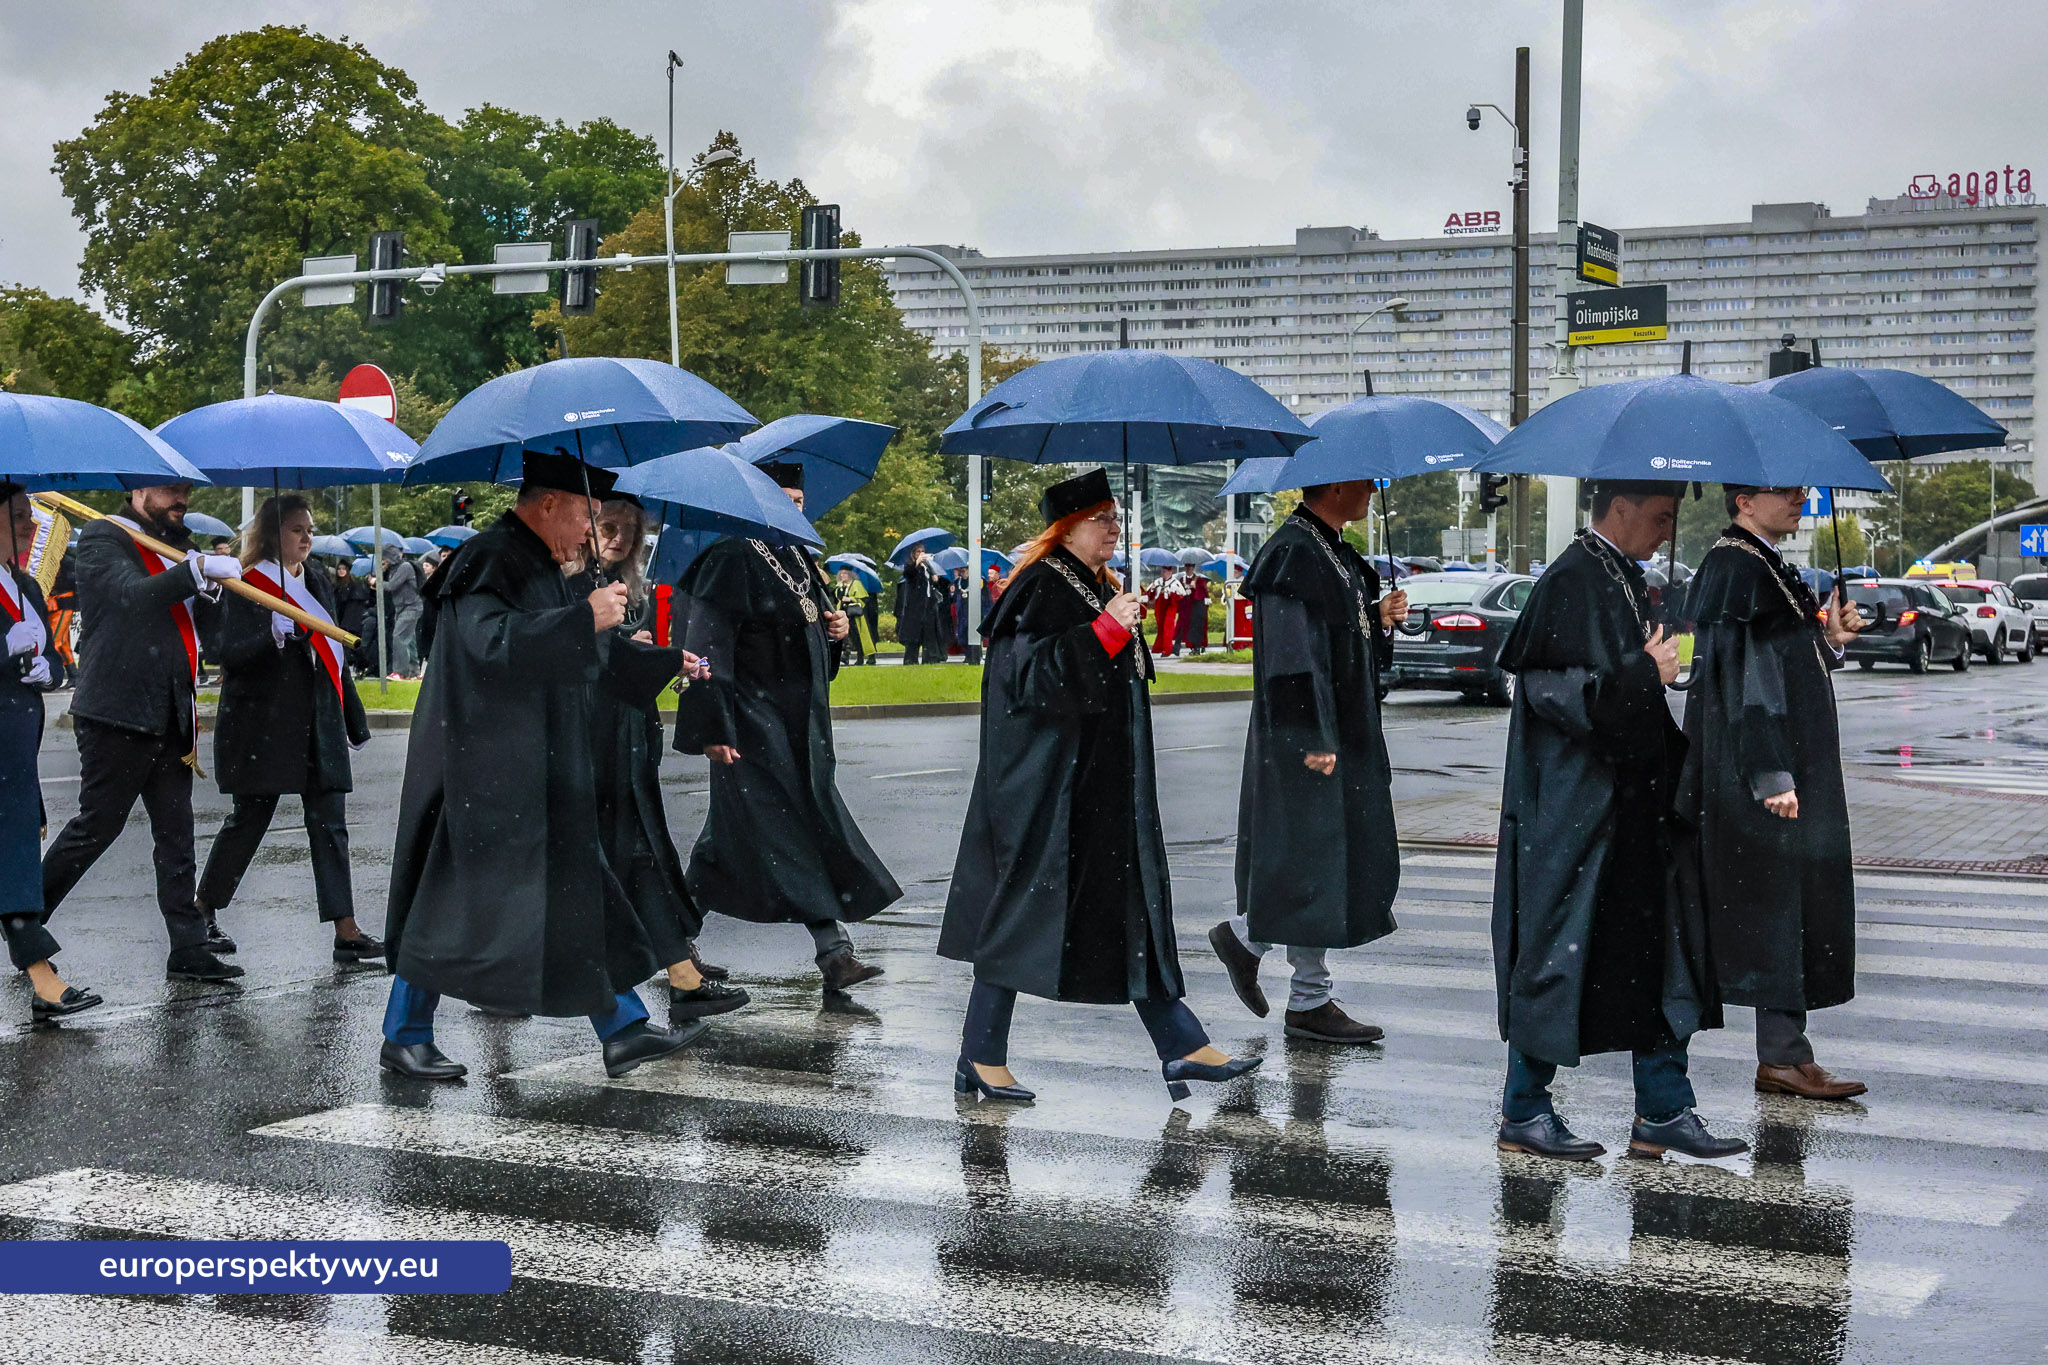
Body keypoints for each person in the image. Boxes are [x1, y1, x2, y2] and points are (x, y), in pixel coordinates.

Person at [380, 450, 705, 1081]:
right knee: (455, 906)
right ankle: (404, 1033)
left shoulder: (546, 561)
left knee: (575, 892)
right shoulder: (490, 558)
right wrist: (583, 617)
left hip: (540, 763)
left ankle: (622, 1028)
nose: (591, 528)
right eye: (585, 512)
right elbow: (492, 648)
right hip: (486, 768)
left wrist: (665, 660)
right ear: (549, 503)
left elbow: (587, 652)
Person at [941, 468, 1260, 1102]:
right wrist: (1106, 630)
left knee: (1127, 913)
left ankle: (1181, 1044)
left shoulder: (1091, 584)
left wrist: (1112, 623)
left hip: (1100, 787)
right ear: (1068, 528)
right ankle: (980, 1055)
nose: (1116, 528)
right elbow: (1030, 685)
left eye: (1117, 518)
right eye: (1102, 519)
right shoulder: (1040, 587)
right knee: (1025, 911)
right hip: (1055, 793)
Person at [1491, 480, 1740, 1162]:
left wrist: (1652, 668)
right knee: (1554, 956)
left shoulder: (1618, 577)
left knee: (1659, 953)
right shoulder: (1572, 579)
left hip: (1630, 811)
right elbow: (1558, 697)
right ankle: (1523, 1110)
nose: (1666, 533)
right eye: (1660, 517)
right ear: (1620, 507)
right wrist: (1643, 673)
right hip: (1577, 816)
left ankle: (1663, 1108)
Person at [672, 460, 901, 992]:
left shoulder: (799, 556)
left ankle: (674, 938)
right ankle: (834, 951)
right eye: (784, 500)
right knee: (793, 831)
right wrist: (712, 725)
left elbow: (809, 634)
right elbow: (706, 650)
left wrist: (836, 632)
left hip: (800, 726)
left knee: (729, 845)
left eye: (800, 502)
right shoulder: (729, 557)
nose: (794, 511)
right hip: (751, 722)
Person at [1679, 485, 1868, 1100]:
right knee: (1770, 913)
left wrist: (1828, 639)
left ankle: (1785, 1055)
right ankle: (1769, 1058)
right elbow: (1747, 682)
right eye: (1784, 492)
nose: (1799, 500)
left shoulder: (1755, 562)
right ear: (1744, 501)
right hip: (1760, 776)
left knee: (1783, 911)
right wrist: (1770, 775)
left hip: (1777, 768)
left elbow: (1779, 661)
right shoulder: (1738, 565)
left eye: (1801, 490)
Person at [1211, 480, 1407, 1045]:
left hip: (1338, 732)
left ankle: (1305, 993)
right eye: (1365, 483)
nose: (1373, 491)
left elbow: (1337, 636)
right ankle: (1254, 947)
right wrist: (1312, 740)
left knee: (1323, 858)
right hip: (1309, 739)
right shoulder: (1294, 552)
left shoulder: (1332, 549)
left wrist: (1378, 616)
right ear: (1338, 485)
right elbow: (1293, 663)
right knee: (1308, 857)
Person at [41, 481, 243, 982]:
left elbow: (204, 634)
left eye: (186, 490)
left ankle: (188, 947)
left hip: (171, 708)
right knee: (96, 828)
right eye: (170, 490)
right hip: (117, 709)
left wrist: (217, 589)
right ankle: (24, 921)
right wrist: (192, 570)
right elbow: (132, 598)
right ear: (137, 490)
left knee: (176, 835)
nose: (182, 499)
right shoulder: (103, 537)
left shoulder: (179, 543)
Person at [195, 494, 380, 966]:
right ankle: (203, 908)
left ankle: (346, 928)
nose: (307, 537)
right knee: (250, 819)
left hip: (316, 719)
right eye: (297, 529)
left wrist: (351, 719)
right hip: (265, 722)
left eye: (310, 529)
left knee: (330, 822)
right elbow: (225, 651)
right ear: (274, 532)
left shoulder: (316, 579)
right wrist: (270, 634)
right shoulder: (243, 580)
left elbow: (332, 655)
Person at [590, 495, 747, 1025]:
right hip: (591, 747)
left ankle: (680, 975)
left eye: (629, 532)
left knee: (639, 859)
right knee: (613, 863)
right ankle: (673, 979)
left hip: (627, 742)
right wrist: (645, 654)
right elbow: (590, 659)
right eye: (607, 526)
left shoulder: (629, 590)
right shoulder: (575, 585)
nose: (616, 538)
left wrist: (654, 659)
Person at [0, 484, 97, 1022]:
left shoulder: (26, 585)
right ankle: (44, 976)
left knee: (12, 856)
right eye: (16, 516)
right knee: (12, 859)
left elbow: (55, 661)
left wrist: (46, 672)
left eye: (30, 517)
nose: (28, 526)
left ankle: (43, 978)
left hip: (16, 749)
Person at [894, 545, 948, 665]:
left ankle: (929, 658)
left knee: (928, 633)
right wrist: (917, 563)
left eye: (923, 551)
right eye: (918, 552)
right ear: (913, 554)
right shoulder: (910, 566)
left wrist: (934, 579)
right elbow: (909, 575)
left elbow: (930, 585)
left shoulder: (927, 567)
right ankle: (910, 659)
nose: (921, 553)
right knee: (913, 635)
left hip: (928, 604)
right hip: (914, 606)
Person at [378, 542, 422, 679]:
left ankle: (400, 672)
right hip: (403, 607)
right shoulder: (393, 569)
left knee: (399, 637)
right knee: (410, 640)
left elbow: (392, 586)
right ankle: (415, 671)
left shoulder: (405, 567)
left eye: (383, 557)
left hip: (411, 606)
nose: (382, 561)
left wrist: (377, 581)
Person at [331, 559, 374, 673]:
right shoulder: (337, 585)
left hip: (351, 618)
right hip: (343, 617)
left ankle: (362, 662)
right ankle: (359, 663)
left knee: (351, 641)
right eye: (339, 569)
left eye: (344, 569)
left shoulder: (353, 585)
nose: (341, 571)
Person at [833, 566, 875, 667]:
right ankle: (845, 657)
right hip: (843, 614)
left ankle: (862, 658)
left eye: (845, 573)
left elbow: (863, 599)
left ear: (850, 574)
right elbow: (836, 599)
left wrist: (850, 599)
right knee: (846, 638)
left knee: (858, 637)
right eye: (841, 574)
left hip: (854, 615)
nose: (843, 575)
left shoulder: (856, 584)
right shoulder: (839, 586)